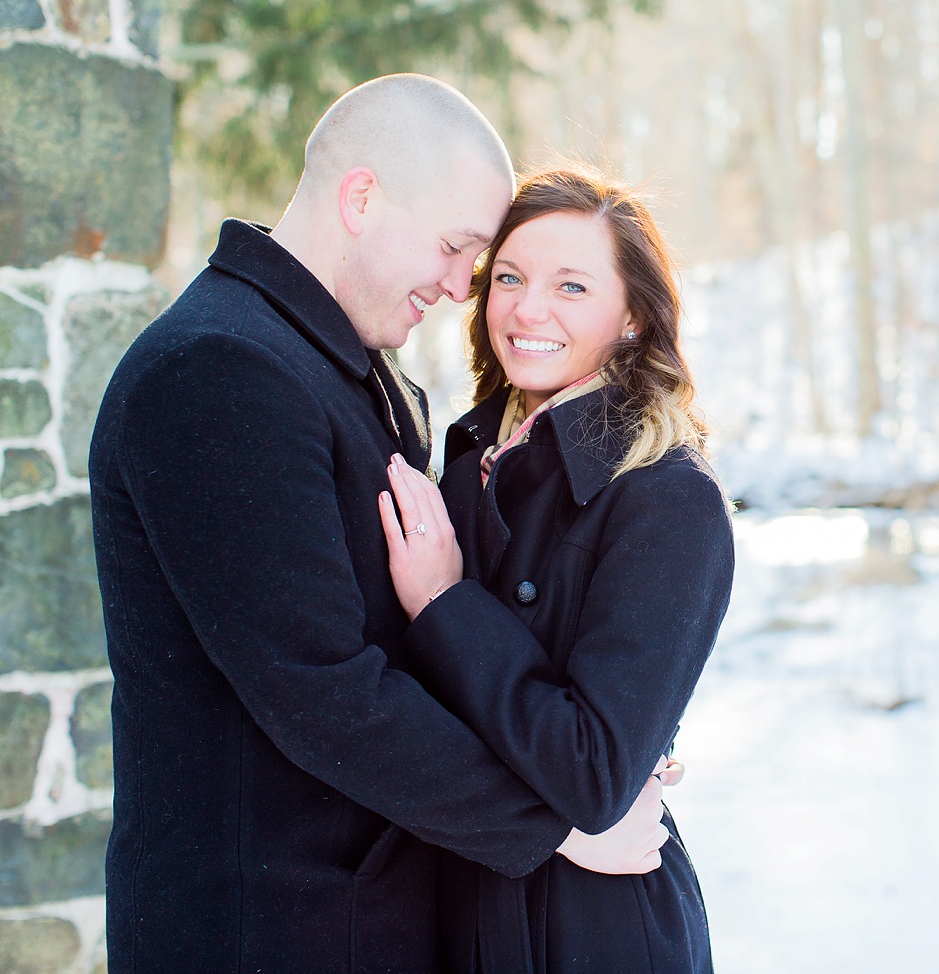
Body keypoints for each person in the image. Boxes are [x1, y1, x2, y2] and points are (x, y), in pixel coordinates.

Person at [89, 75, 674, 972]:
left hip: (370, 921)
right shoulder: (218, 370)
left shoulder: (346, 365)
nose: (458, 288)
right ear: (362, 197)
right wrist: (557, 822)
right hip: (270, 934)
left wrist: (608, 727)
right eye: (455, 249)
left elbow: (427, 624)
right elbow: (322, 690)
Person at [375, 166, 734, 973]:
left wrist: (444, 602)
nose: (527, 309)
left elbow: (595, 771)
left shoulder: (668, 496)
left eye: (572, 286)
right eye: (509, 277)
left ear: (636, 315)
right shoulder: (464, 468)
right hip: (455, 904)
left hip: (592, 928)